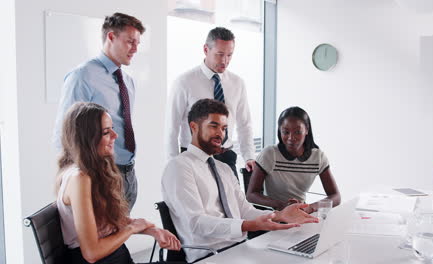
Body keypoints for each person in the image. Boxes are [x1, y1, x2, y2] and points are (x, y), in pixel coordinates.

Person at [162, 99, 317, 263]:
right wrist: (250, 225)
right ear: (194, 127)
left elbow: (245, 211)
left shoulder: (224, 169)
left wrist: (280, 215)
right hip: (210, 255)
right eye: (213, 126)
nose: (220, 134)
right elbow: (196, 223)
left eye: (224, 128)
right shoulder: (179, 167)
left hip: (240, 248)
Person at [56, 102, 180, 264]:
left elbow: (106, 225)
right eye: (106, 132)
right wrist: (132, 228)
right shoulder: (80, 179)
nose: (115, 136)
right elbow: (91, 253)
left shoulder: (91, 172)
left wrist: (152, 230)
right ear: (87, 138)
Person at [53, 12, 144, 210]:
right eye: (130, 41)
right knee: (103, 239)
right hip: (98, 175)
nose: (135, 49)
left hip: (127, 173)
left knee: (120, 234)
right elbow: (65, 133)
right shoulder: (82, 76)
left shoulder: (128, 81)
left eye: (138, 43)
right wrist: (81, 181)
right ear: (111, 37)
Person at [164, 27, 255, 176]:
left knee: (232, 199)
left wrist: (249, 156)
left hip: (226, 156)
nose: (225, 61)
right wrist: (173, 165)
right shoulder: (184, 82)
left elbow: (245, 124)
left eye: (229, 55)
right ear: (206, 49)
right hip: (193, 158)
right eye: (219, 54)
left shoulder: (237, 83)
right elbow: (171, 129)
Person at [246, 107, 341, 213]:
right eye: (286, 132)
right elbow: (251, 195)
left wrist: (310, 207)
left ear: (307, 130)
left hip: (302, 213)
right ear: (279, 131)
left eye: (297, 132)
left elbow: (335, 196)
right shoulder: (269, 154)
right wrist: (280, 205)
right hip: (274, 214)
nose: (291, 137)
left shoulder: (318, 157)